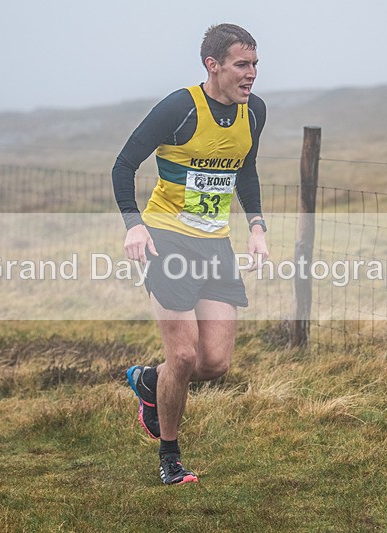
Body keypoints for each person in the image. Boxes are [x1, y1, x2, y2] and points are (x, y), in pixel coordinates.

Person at [112, 23, 269, 485]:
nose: (252, 74)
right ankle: (170, 458)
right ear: (213, 65)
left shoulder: (253, 112)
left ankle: (147, 382)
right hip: (167, 239)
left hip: (215, 243)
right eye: (242, 65)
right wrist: (134, 223)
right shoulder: (180, 108)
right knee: (181, 357)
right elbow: (123, 165)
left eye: (256, 64)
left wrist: (256, 226)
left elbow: (247, 170)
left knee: (215, 364)